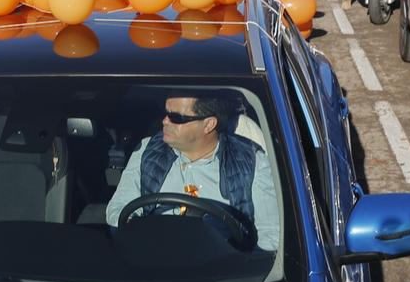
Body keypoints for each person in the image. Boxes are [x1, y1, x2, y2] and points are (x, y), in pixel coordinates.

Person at [105, 93, 282, 255]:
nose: (165, 121)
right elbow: (118, 209)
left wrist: (240, 275)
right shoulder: (146, 151)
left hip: (221, 273)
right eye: (165, 113)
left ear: (208, 124)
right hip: (154, 263)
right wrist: (136, 232)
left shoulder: (253, 163)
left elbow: (271, 238)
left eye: (176, 117)